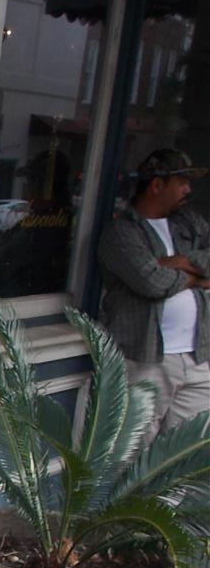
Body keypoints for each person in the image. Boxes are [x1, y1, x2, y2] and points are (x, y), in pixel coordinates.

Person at [98, 147, 210, 436]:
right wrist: (199, 277)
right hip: (145, 358)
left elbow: (162, 275)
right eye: (181, 182)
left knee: (184, 454)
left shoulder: (191, 225)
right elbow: (151, 282)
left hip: (197, 356)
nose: (188, 189)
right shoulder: (122, 232)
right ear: (157, 185)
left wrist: (180, 263)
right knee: (133, 451)